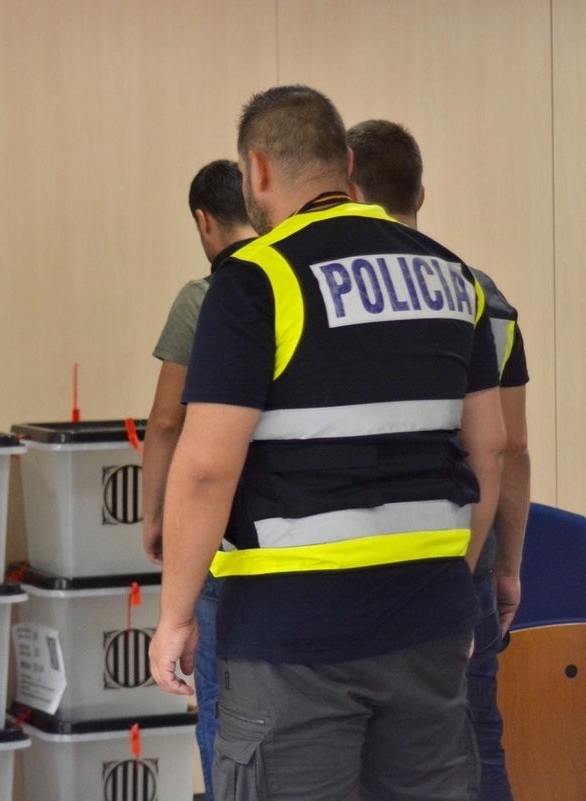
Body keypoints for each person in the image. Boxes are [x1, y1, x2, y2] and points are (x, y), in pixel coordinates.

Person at [148, 85, 506, 800]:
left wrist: (175, 614)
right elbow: (489, 447)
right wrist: (456, 585)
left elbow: (207, 468)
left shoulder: (256, 281)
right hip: (428, 619)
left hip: (294, 636)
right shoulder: (451, 277)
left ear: (257, 171)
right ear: (345, 163)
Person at [347, 118, 530, 801]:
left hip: (364, 565)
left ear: (347, 186)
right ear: (422, 191)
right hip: (464, 561)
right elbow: (509, 447)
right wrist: (504, 568)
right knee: (477, 743)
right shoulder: (484, 292)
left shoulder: (336, 289)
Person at [142, 158, 256, 801]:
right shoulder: (297, 282)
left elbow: (165, 421)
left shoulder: (208, 295)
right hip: (294, 533)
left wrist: (157, 514)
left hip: (222, 534)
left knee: (216, 701)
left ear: (203, 221)